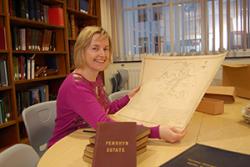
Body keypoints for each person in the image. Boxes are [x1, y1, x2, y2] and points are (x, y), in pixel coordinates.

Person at [48, 26, 185, 147]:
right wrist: (157, 131)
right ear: (81, 51)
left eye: (106, 49)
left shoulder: (96, 78)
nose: (102, 54)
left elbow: (106, 109)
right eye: (95, 48)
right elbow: (106, 127)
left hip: (86, 139)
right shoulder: (76, 85)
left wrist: (128, 98)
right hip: (64, 148)